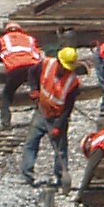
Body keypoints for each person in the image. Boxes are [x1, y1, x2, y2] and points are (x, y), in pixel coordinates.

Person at [21, 46, 82, 187]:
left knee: (60, 150)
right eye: (64, 67)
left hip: (57, 116)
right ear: (59, 62)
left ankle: (61, 178)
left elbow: (68, 108)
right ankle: (27, 176)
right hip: (41, 111)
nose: (66, 70)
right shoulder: (47, 64)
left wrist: (58, 126)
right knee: (31, 143)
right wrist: (34, 90)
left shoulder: (73, 82)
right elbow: (31, 73)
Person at [0, 20, 43, 130]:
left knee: (7, 94)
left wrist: (5, 59)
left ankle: (5, 122)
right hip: (34, 67)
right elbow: (38, 53)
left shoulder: (3, 39)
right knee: (38, 92)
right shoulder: (29, 38)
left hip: (16, 68)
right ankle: (44, 117)